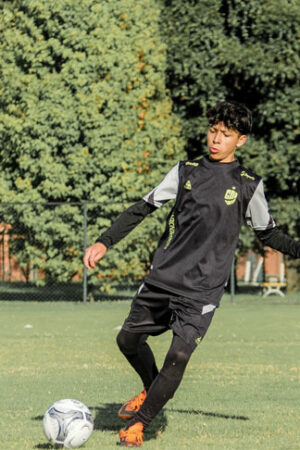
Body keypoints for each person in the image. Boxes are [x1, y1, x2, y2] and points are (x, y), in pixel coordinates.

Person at [84, 101, 300, 447]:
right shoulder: (184, 171)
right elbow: (144, 207)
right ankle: (151, 388)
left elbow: (268, 234)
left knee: (179, 355)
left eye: (225, 135)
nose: (216, 139)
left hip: (202, 290)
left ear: (240, 141)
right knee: (126, 340)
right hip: (163, 278)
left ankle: (139, 424)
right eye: (212, 131)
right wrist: (104, 241)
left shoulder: (248, 185)